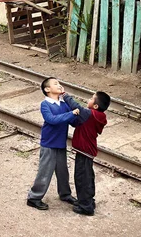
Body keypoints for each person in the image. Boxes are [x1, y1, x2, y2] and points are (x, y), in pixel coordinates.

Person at [26, 77, 81, 210]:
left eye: (59, 83)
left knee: (63, 171)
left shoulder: (64, 104)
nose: (59, 85)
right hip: (49, 143)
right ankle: (34, 197)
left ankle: (65, 194)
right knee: (45, 172)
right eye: (55, 84)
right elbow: (52, 120)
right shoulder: (45, 104)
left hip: (60, 143)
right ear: (47, 89)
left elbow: (72, 121)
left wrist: (78, 114)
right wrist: (72, 113)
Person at [68, 91, 111, 216]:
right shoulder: (96, 116)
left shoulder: (91, 114)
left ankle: (86, 207)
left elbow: (77, 106)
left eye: (92, 98)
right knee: (87, 177)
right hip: (86, 151)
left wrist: (65, 96)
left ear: (96, 106)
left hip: (85, 151)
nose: (89, 99)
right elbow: (76, 121)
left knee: (82, 178)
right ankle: (87, 201)